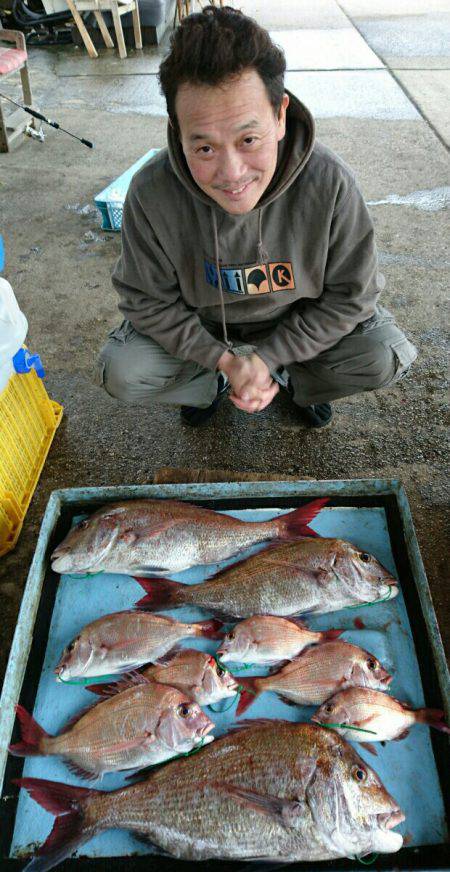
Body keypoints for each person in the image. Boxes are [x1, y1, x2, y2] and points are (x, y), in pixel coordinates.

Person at [96, 4, 417, 428]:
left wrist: (270, 358)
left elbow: (352, 296)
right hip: (205, 325)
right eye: (204, 147)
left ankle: (294, 382)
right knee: (122, 370)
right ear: (176, 127)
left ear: (280, 116)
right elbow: (146, 301)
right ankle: (211, 383)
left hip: (299, 320)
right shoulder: (150, 191)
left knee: (382, 355)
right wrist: (223, 360)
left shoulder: (331, 183)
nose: (231, 173)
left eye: (249, 139)